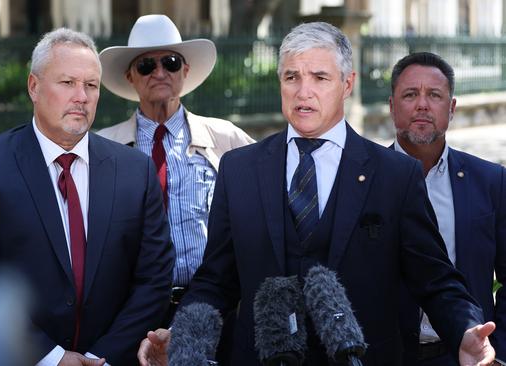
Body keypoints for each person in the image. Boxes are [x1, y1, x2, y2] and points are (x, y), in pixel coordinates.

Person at [137, 22, 496, 366]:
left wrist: (463, 330)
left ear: (347, 83)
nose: (302, 91)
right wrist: (182, 332)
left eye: (320, 78)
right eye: (292, 77)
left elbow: (434, 279)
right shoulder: (239, 169)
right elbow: (216, 280)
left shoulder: (394, 175)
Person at [0, 28, 175, 366]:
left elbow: (154, 277)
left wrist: (103, 356)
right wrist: (50, 357)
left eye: (91, 85)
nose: (81, 96)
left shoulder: (134, 170)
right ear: (34, 87)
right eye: (67, 83)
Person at [97, 14, 254, 318]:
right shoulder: (104, 147)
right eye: (145, 65)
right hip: (134, 309)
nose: (159, 72)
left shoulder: (227, 139)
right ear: (130, 76)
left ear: (185, 70)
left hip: (216, 306)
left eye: (169, 62)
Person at [388, 52, 506, 365]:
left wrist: (499, 351)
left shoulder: (492, 181)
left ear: (451, 109)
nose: (422, 105)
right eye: (410, 94)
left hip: (468, 358)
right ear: (391, 106)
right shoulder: (364, 180)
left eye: (435, 95)